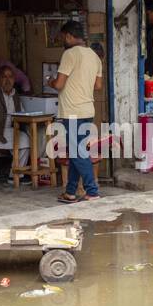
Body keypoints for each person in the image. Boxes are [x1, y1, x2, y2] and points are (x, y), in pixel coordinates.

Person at [50, 21, 103, 203]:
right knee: (76, 152)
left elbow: (59, 84)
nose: (63, 40)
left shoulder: (69, 54)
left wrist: (50, 81)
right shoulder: (94, 57)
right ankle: (70, 192)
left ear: (69, 36)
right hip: (88, 110)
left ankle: (92, 191)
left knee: (77, 152)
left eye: (64, 36)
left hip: (72, 111)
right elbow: (98, 86)